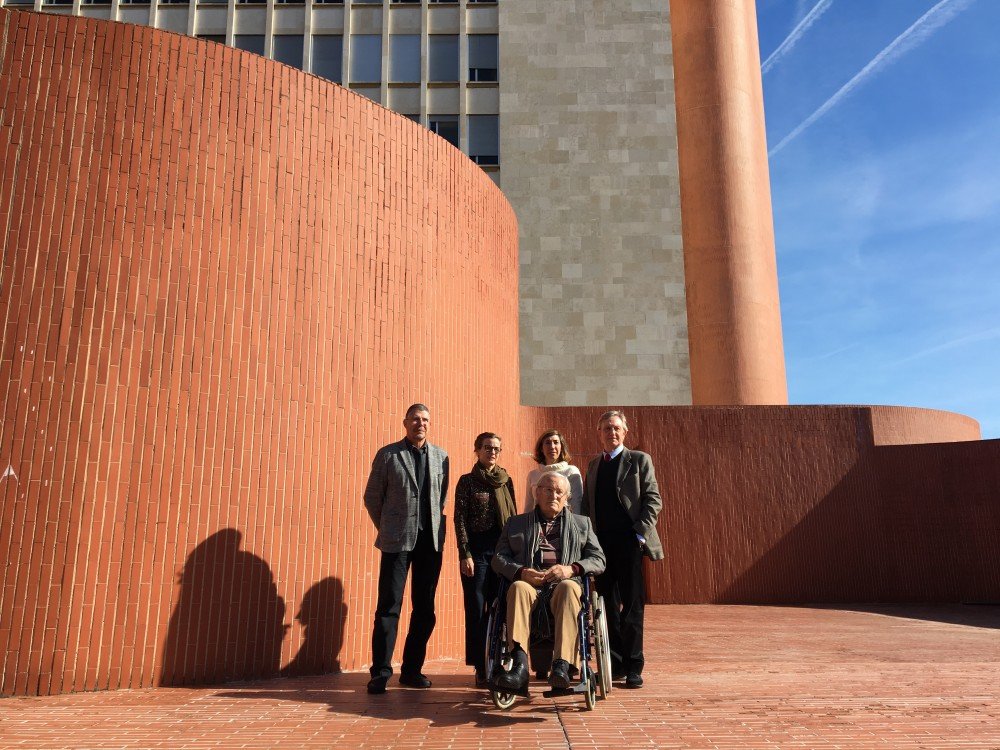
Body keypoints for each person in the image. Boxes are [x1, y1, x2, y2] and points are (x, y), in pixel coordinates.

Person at [363, 403, 450, 694]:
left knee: (424, 608)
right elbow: (372, 497)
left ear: (430, 423)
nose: (420, 424)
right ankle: (380, 672)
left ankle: (412, 669)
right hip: (396, 542)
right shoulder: (388, 455)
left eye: (425, 419)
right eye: (415, 419)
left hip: (431, 544)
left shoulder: (441, 457)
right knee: (389, 606)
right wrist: (387, 526)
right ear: (405, 423)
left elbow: (441, 498)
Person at [491, 472, 605, 692]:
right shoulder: (516, 523)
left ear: (567, 498)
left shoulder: (582, 525)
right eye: (548, 489)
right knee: (517, 588)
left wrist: (571, 569)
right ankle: (520, 667)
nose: (554, 495)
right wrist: (521, 571)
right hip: (530, 584)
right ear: (537, 492)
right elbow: (498, 558)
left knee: (570, 587)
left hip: (562, 586)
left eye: (559, 491)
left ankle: (561, 666)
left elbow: (598, 559)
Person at [582, 410, 662, 689]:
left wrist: (639, 535)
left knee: (632, 606)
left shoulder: (639, 460)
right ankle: (614, 665)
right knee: (605, 607)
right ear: (599, 432)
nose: (611, 433)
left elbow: (653, 499)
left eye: (616, 428)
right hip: (600, 547)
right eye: (606, 429)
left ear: (625, 432)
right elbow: (586, 508)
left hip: (629, 544)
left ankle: (634, 666)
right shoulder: (593, 466)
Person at [454, 432, 517, 687]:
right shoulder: (467, 481)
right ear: (477, 450)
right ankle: (481, 665)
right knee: (477, 609)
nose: (493, 452)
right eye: (488, 448)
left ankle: (499, 660)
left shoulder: (506, 480)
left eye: (497, 449)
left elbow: (513, 517)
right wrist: (464, 553)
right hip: (477, 554)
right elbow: (459, 519)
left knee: (500, 607)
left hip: (502, 553)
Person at [523, 429, 584, 514]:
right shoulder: (533, 475)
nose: (552, 447)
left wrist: (574, 526)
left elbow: (577, 504)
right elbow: (529, 506)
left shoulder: (572, 472)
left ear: (561, 447)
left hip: (565, 524)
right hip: (537, 524)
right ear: (541, 448)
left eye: (556, 442)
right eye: (547, 443)